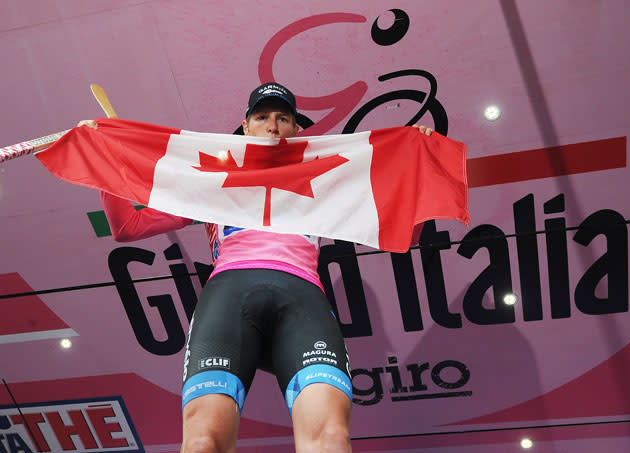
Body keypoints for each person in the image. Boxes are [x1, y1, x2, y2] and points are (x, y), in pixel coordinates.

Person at [79, 82, 433, 453]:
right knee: (202, 442)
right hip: (229, 298)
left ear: (296, 130)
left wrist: (419, 164)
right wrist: (107, 159)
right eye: (262, 117)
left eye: (283, 118)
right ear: (245, 127)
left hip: (302, 300)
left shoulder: (325, 176)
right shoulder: (213, 177)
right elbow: (127, 227)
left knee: (330, 439)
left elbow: (407, 233)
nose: (273, 126)